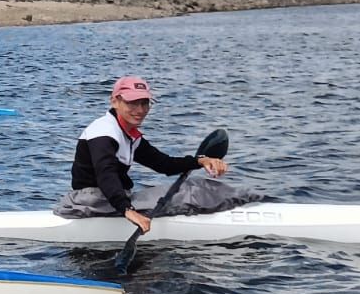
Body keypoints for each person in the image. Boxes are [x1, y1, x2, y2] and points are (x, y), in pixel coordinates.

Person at [54, 76, 232, 233]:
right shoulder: (104, 132)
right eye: (132, 103)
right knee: (188, 194)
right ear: (115, 101)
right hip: (93, 201)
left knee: (184, 192)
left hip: (109, 199)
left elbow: (164, 164)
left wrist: (201, 161)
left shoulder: (128, 134)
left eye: (144, 103)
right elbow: (105, 173)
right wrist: (128, 210)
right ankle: (236, 210)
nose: (140, 110)